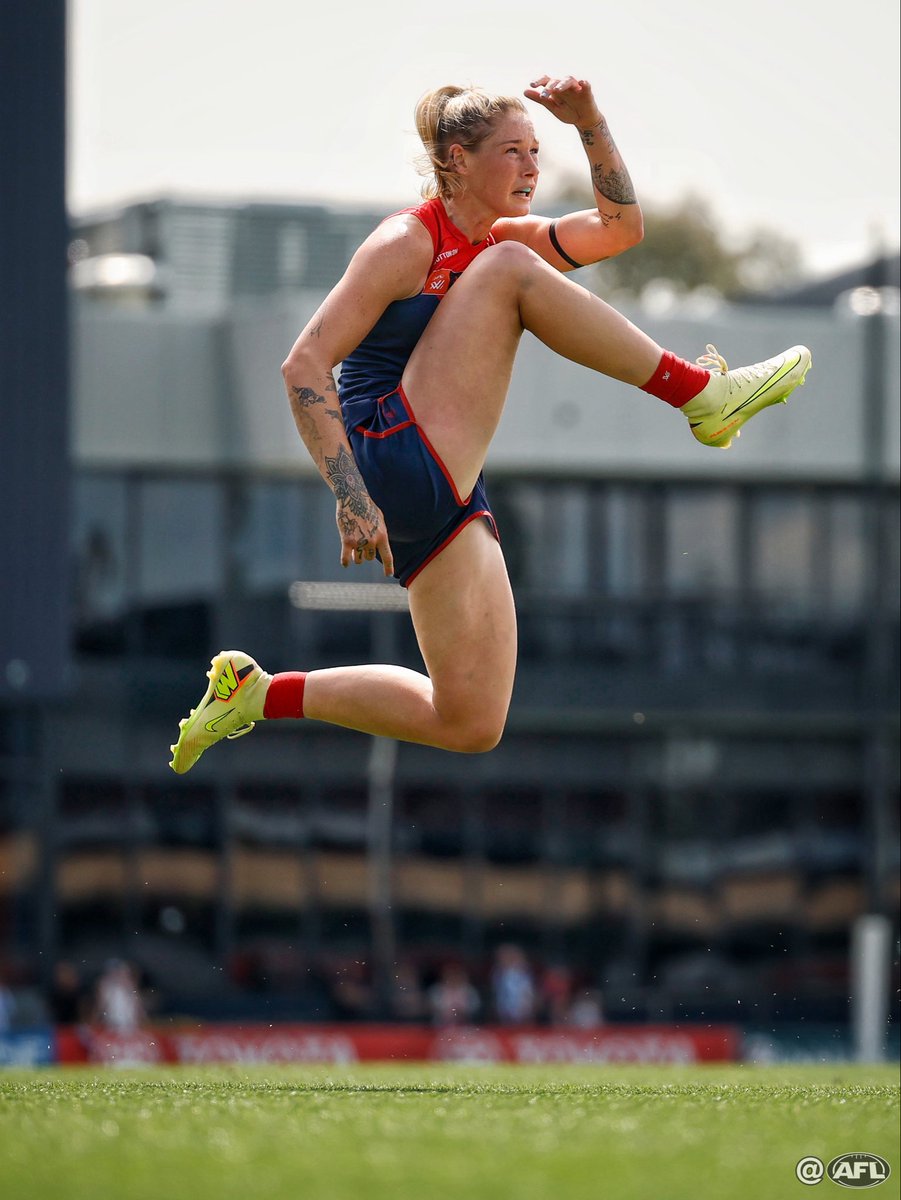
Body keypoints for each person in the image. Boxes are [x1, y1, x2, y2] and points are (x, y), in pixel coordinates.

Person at [169, 73, 812, 772]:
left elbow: (621, 229)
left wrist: (588, 122)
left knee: (469, 720)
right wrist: (351, 498)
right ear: (457, 160)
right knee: (511, 268)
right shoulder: (406, 241)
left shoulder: (499, 236)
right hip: (387, 454)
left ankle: (257, 695)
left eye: (536, 152)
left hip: (437, 487)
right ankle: (700, 396)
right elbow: (303, 365)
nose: (532, 168)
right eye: (513, 152)